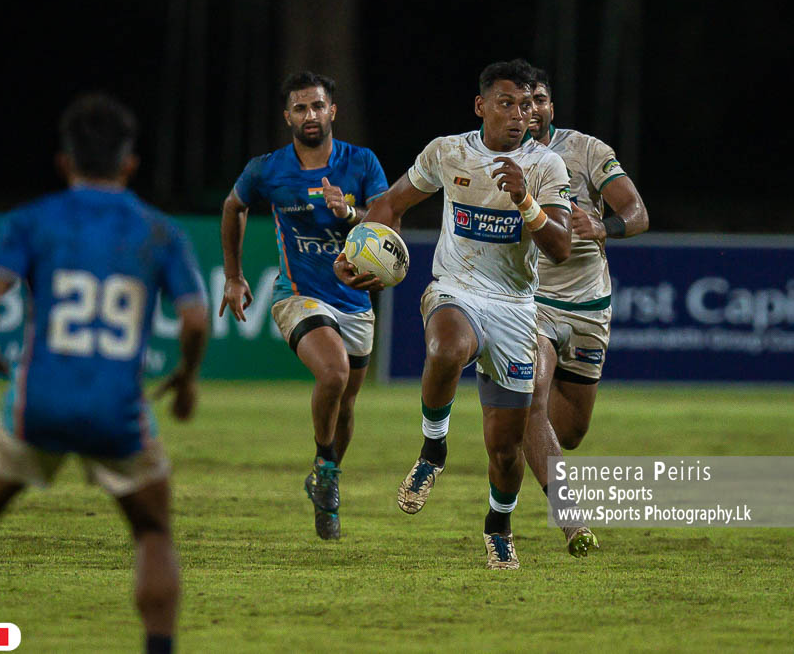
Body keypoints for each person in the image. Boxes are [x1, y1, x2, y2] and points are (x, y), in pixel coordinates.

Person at [0, 94, 208, 654]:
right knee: (152, 533)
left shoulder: (32, 220)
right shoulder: (161, 232)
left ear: (65, 162)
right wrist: (186, 378)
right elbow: (194, 319)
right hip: (117, 413)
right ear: (129, 164)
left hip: (35, 404)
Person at [336, 59, 572, 569]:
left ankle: (498, 526)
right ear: (481, 105)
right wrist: (358, 249)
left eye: (528, 105)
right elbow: (392, 203)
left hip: (514, 307)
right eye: (507, 103)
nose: (519, 114)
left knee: (505, 451)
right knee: (447, 347)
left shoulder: (546, 166)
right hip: (455, 288)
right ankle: (433, 450)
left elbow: (560, 248)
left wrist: (527, 202)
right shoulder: (448, 152)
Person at [220, 71, 388, 540]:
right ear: (287, 115)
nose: (309, 115)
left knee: (348, 405)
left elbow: (384, 218)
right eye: (300, 108)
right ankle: (325, 466)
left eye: (317, 106)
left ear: (332, 110)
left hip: (354, 301)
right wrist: (233, 276)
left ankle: (326, 477)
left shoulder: (361, 162)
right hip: (297, 295)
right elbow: (234, 205)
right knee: (332, 373)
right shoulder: (267, 169)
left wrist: (350, 214)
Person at [523, 67, 649, 555]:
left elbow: (637, 214)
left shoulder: (588, 151)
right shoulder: (497, 159)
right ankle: (572, 520)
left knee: (569, 433)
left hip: (587, 307)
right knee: (531, 397)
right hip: (530, 300)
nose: (530, 110)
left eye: (539, 99)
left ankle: (520, 427)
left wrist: (604, 228)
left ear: (552, 106)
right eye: (520, 101)